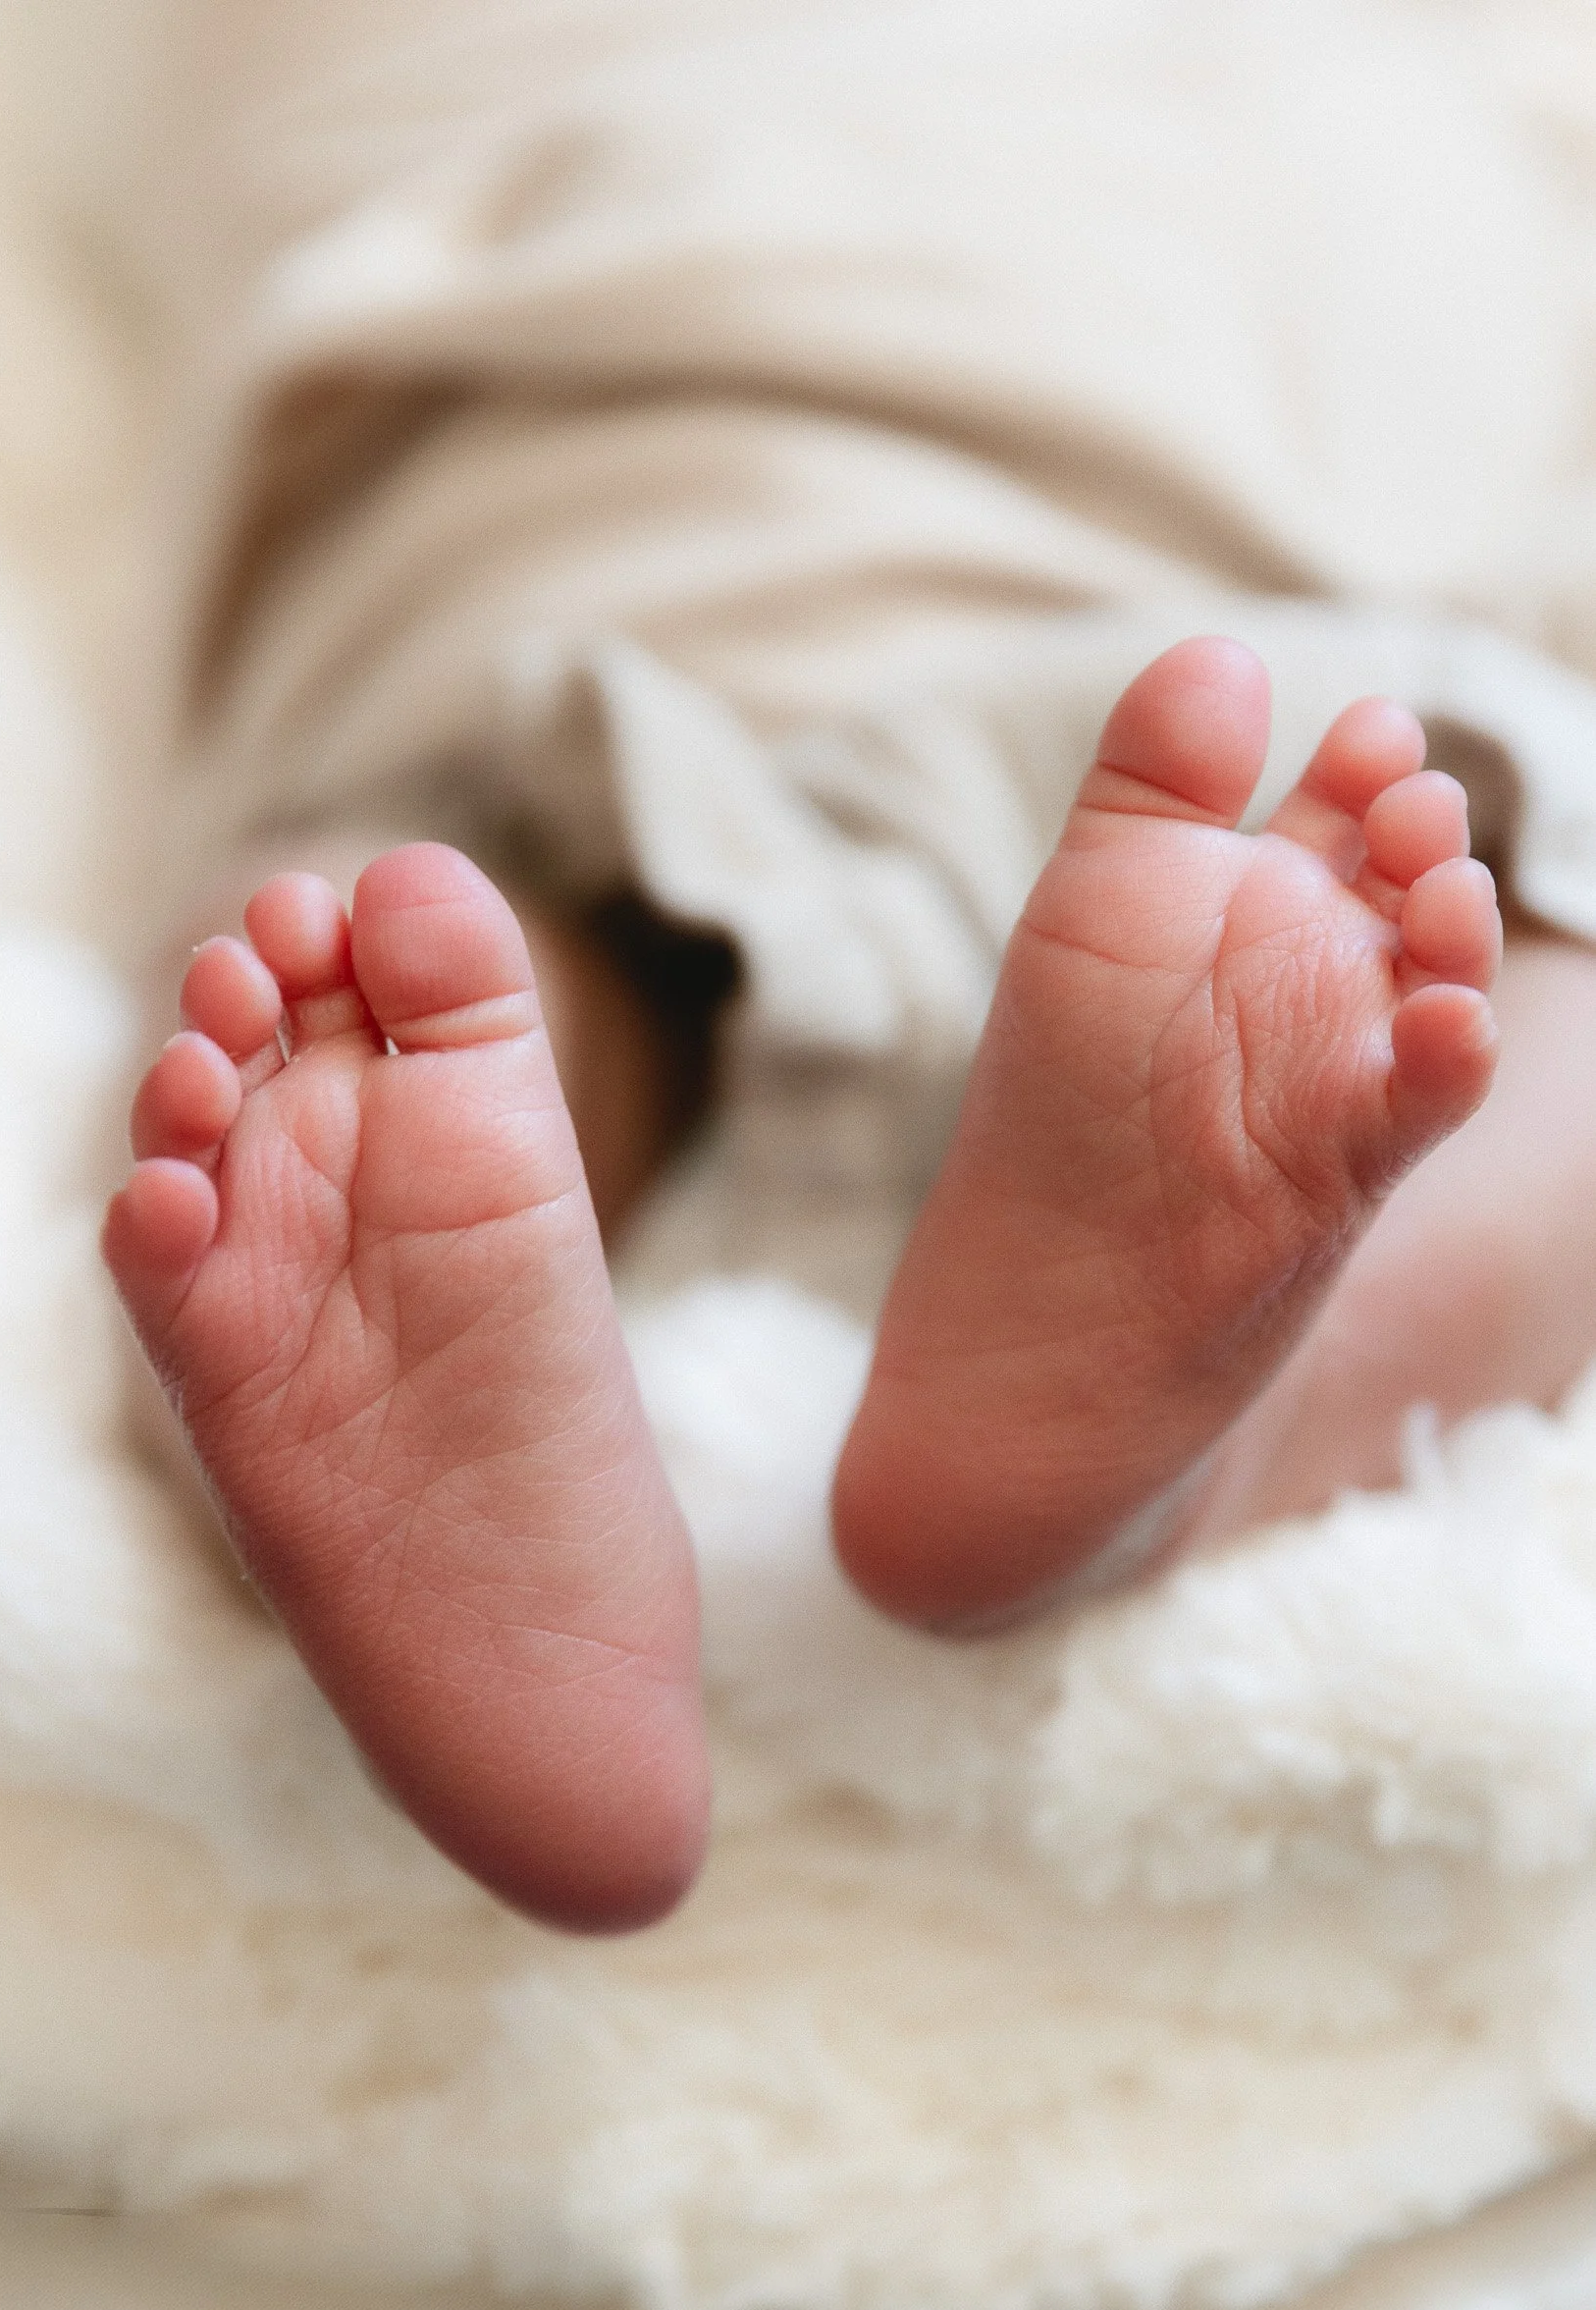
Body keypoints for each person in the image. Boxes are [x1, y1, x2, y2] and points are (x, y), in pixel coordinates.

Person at [99, 0, 1596, 1933]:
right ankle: (1260, 1411)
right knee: (1529, 926)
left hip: (579, 435)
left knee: (352, 941)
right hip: (1278, 514)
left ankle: (416, 1159)